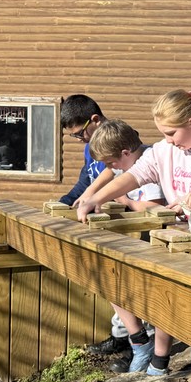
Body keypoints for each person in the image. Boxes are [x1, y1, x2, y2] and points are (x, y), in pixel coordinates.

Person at [77, 89, 191, 375]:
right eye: (164, 133)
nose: (168, 140)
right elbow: (133, 176)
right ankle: (161, 363)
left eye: (172, 132)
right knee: (169, 297)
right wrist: (96, 198)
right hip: (185, 241)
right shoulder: (165, 151)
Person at [88, 119, 166, 372]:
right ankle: (139, 341)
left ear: (125, 153)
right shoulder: (127, 163)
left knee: (158, 299)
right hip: (143, 238)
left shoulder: (150, 164)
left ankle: (156, 356)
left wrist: (124, 200)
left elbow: (155, 207)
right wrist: (91, 194)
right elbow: (111, 173)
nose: (110, 168)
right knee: (112, 282)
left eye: (111, 162)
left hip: (162, 241)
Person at [59, 95, 129, 359]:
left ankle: (135, 341)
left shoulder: (119, 141)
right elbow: (84, 182)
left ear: (95, 120)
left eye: (80, 134)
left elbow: (116, 179)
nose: (81, 140)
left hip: (123, 222)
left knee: (125, 283)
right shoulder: (90, 148)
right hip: (99, 221)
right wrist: (64, 202)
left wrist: (95, 196)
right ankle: (122, 335)